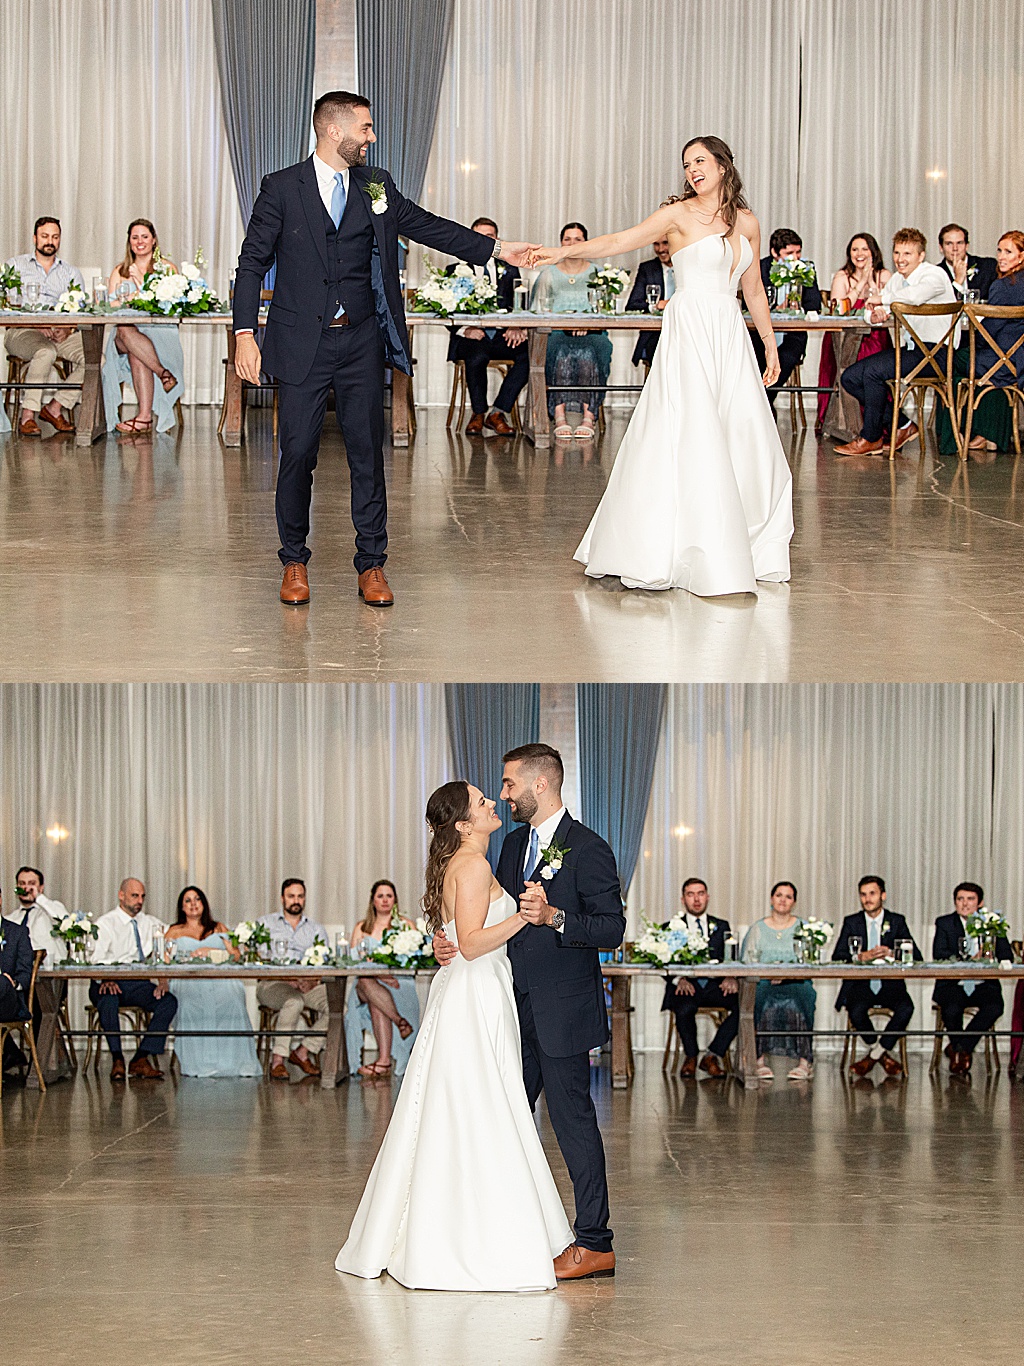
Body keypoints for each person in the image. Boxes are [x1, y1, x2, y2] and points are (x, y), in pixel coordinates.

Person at [232, 90, 536, 609]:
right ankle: (294, 561)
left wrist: (496, 249)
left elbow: (428, 226)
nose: (372, 137)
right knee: (296, 455)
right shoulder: (281, 187)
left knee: (367, 456)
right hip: (300, 342)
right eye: (366, 128)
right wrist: (244, 334)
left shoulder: (378, 185)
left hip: (360, 342)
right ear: (334, 130)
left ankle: (372, 564)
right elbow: (251, 263)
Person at [336, 779, 575, 1292]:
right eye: (483, 802)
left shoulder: (460, 863)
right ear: (464, 824)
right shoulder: (472, 864)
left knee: (468, 1104)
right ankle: (479, 1235)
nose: (493, 803)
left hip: (473, 988)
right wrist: (524, 917)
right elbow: (470, 944)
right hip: (475, 990)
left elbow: (452, 936)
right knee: (481, 1104)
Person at [529, 135, 792, 597]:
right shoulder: (677, 215)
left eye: (700, 161)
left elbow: (753, 291)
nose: (692, 169)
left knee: (743, 433)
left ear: (724, 166)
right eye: (687, 163)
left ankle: (741, 542)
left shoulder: (747, 222)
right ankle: (680, 547)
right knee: (693, 433)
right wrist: (562, 253)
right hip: (690, 329)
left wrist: (769, 347)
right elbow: (619, 241)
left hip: (729, 333)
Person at [834, 228, 956, 456]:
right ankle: (902, 424)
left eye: (907, 254)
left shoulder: (935, 275)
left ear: (921, 256)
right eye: (897, 253)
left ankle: (871, 438)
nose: (900, 259)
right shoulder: (898, 280)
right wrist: (875, 315)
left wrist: (883, 299)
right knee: (849, 378)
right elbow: (872, 311)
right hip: (912, 350)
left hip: (937, 353)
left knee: (872, 373)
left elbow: (916, 297)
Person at [936, 231, 1024, 455]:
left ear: (1021, 257)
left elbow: (987, 333)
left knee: (948, 363)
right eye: (999, 251)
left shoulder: (1004, 286)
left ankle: (952, 439)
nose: (1001, 257)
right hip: (1018, 359)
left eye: (1008, 252)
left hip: (1001, 360)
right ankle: (988, 433)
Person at [163, 886, 261, 1078]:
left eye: (197, 899)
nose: (193, 904)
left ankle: (234, 1061)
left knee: (233, 994)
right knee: (190, 1003)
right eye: (188, 901)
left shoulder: (218, 927)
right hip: (188, 979)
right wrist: (162, 983)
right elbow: (162, 960)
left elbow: (236, 955)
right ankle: (200, 1062)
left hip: (219, 977)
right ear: (182, 907)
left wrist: (213, 952)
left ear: (204, 904)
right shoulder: (174, 931)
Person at [446, 216, 529, 437]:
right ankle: (478, 413)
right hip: (470, 337)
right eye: (479, 236)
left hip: (503, 336)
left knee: (530, 357)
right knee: (476, 356)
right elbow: (445, 309)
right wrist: (466, 330)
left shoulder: (510, 269)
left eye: (490, 236)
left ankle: (498, 413)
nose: (484, 240)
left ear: (497, 240)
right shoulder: (455, 269)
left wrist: (517, 327)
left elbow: (519, 305)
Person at [89, 878, 178, 1081]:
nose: (139, 901)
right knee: (108, 999)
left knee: (168, 1002)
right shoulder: (105, 923)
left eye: (142, 897)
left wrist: (163, 979)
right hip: (106, 982)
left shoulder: (150, 923)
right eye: (134, 896)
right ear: (121, 895)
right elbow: (94, 959)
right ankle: (117, 1059)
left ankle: (141, 1057)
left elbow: (171, 941)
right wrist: (106, 977)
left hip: (137, 982)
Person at [832, 875, 920, 1080]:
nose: (867, 899)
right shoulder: (851, 922)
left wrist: (892, 953)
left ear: (883, 895)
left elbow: (917, 956)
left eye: (872, 893)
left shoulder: (897, 921)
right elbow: (837, 957)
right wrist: (860, 956)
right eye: (863, 894)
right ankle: (882, 1054)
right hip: (861, 986)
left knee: (907, 1008)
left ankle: (873, 1056)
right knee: (856, 1009)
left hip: (890, 985)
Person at [4, 216, 85, 437]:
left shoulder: (70, 273)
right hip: (23, 331)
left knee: (96, 358)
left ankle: (54, 408)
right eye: (45, 236)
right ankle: (28, 415)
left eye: (55, 237)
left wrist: (67, 328)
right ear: (35, 238)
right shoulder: (15, 266)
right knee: (45, 352)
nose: (50, 241)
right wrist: (38, 324)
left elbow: (80, 308)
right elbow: (6, 305)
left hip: (61, 332)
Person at [530, 223, 612, 440]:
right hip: (556, 332)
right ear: (560, 243)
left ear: (586, 242)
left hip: (593, 332)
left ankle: (589, 416)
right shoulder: (549, 273)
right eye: (568, 239)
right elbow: (536, 310)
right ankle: (559, 415)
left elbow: (606, 310)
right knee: (559, 350)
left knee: (591, 352)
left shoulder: (599, 274)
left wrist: (589, 325)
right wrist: (564, 324)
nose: (572, 244)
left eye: (578, 239)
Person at [103, 218, 184, 435]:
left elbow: (174, 304)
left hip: (158, 332)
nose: (140, 242)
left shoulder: (167, 268)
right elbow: (111, 305)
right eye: (135, 237)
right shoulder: (120, 271)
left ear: (154, 240)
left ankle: (144, 417)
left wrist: (140, 287)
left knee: (136, 351)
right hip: (125, 333)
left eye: (144, 237)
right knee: (125, 328)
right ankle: (163, 373)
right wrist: (126, 300)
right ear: (129, 242)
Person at [660, 877, 738, 1079]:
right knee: (684, 1007)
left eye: (701, 893)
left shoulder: (722, 926)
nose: (696, 899)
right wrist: (678, 978)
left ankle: (712, 1055)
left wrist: (731, 977)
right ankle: (691, 1057)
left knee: (746, 1007)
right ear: (683, 899)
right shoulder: (670, 927)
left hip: (715, 985)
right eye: (691, 894)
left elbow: (731, 959)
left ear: (708, 897)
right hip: (686, 986)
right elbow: (661, 961)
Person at [932, 882, 1012, 1078]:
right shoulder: (944, 923)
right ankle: (961, 1051)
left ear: (980, 903)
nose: (965, 904)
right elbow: (939, 955)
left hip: (983, 984)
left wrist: (990, 956)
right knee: (951, 1008)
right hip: (953, 984)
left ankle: (959, 1049)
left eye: (970, 899)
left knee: (994, 1007)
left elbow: (1006, 954)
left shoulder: (992, 923)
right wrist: (968, 960)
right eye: (960, 899)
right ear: (955, 902)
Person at [740, 881, 816, 1081]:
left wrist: (787, 976)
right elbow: (747, 961)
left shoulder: (804, 928)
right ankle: (757, 1060)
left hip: (796, 980)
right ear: (771, 899)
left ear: (794, 902)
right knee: (758, 998)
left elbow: (810, 961)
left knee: (805, 996)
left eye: (788, 896)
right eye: (779, 895)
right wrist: (768, 974)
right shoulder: (758, 928)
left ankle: (804, 1062)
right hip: (764, 981)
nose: (783, 900)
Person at [816, 233, 892, 430]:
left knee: (874, 366)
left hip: (874, 336)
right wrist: (859, 285)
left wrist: (873, 284)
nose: (860, 254)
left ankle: (878, 422)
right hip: (843, 338)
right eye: (855, 249)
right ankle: (844, 422)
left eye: (864, 249)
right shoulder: (842, 277)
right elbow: (840, 310)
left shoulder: (884, 275)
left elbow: (888, 303)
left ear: (873, 252)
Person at [345, 879, 419, 1078]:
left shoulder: (406, 925)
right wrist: (381, 976)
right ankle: (399, 1021)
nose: (385, 900)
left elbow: (415, 959)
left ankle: (384, 1060)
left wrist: (387, 976)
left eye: (389, 895)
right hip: (366, 982)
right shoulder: (362, 927)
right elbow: (354, 962)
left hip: (398, 982)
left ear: (395, 900)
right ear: (373, 901)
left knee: (376, 1001)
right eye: (380, 896)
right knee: (366, 982)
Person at [257, 878, 329, 1081]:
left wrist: (313, 981)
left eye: (300, 896)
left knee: (338, 1006)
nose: (296, 900)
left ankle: (303, 1051)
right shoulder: (265, 924)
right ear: (282, 898)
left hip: (307, 984)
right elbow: (258, 960)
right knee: (293, 1002)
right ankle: (278, 1060)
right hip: (274, 984)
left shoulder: (316, 929)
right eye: (291, 896)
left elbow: (325, 962)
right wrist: (289, 978)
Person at [749, 227, 823, 414]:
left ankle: (761, 405)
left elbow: (815, 303)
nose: (796, 257)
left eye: (798, 252)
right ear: (775, 252)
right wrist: (773, 307)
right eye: (789, 253)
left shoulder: (806, 268)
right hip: (761, 335)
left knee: (785, 360)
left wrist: (799, 306)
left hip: (793, 334)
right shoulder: (759, 268)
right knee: (755, 364)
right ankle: (763, 408)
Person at [624, 234, 675, 368]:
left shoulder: (689, 267)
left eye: (665, 243)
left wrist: (672, 304)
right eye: (656, 244)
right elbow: (632, 305)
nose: (660, 249)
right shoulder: (648, 268)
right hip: (656, 333)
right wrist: (657, 306)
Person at [1, 893, 35, 1078]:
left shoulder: (17, 932)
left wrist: (11, 983)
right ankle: (11, 1053)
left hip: (9, 1000)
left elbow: (25, 974)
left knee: (2, 982)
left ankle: (11, 1053)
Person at [11, 866, 66, 967]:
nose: (26, 888)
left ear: (41, 887)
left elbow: (65, 922)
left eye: (32, 884)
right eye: (22, 884)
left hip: (51, 970)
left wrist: (39, 898)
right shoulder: (11, 918)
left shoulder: (51, 909)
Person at [936, 223, 998, 301]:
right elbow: (942, 305)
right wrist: (958, 281)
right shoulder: (935, 273)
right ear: (941, 248)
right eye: (949, 244)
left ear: (967, 246)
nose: (955, 248)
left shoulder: (987, 266)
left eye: (959, 243)